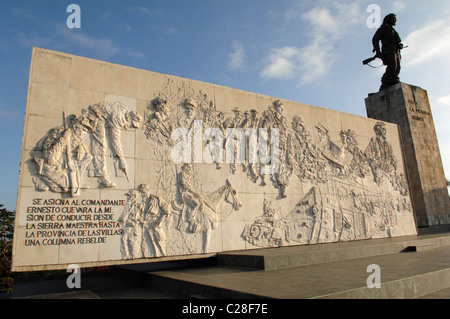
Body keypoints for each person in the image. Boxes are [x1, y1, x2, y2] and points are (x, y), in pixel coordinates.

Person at [372, 13, 403, 91]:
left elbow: (398, 41)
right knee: (392, 66)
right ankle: (385, 82)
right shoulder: (383, 28)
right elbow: (375, 39)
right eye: (393, 18)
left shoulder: (393, 30)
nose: (395, 20)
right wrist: (378, 51)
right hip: (388, 51)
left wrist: (400, 45)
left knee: (397, 67)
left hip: (396, 51)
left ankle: (394, 80)